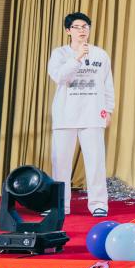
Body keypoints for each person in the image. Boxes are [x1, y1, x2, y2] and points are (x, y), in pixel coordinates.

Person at [47, 12, 114, 217]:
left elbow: (107, 85)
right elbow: (59, 77)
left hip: (92, 114)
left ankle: (98, 204)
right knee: (61, 163)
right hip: (65, 115)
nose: (82, 30)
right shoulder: (59, 54)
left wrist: (108, 109)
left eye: (85, 26)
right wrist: (77, 57)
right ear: (68, 31)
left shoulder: (100, 55)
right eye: (77, 27)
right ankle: (61, 206)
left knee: (95, 162)